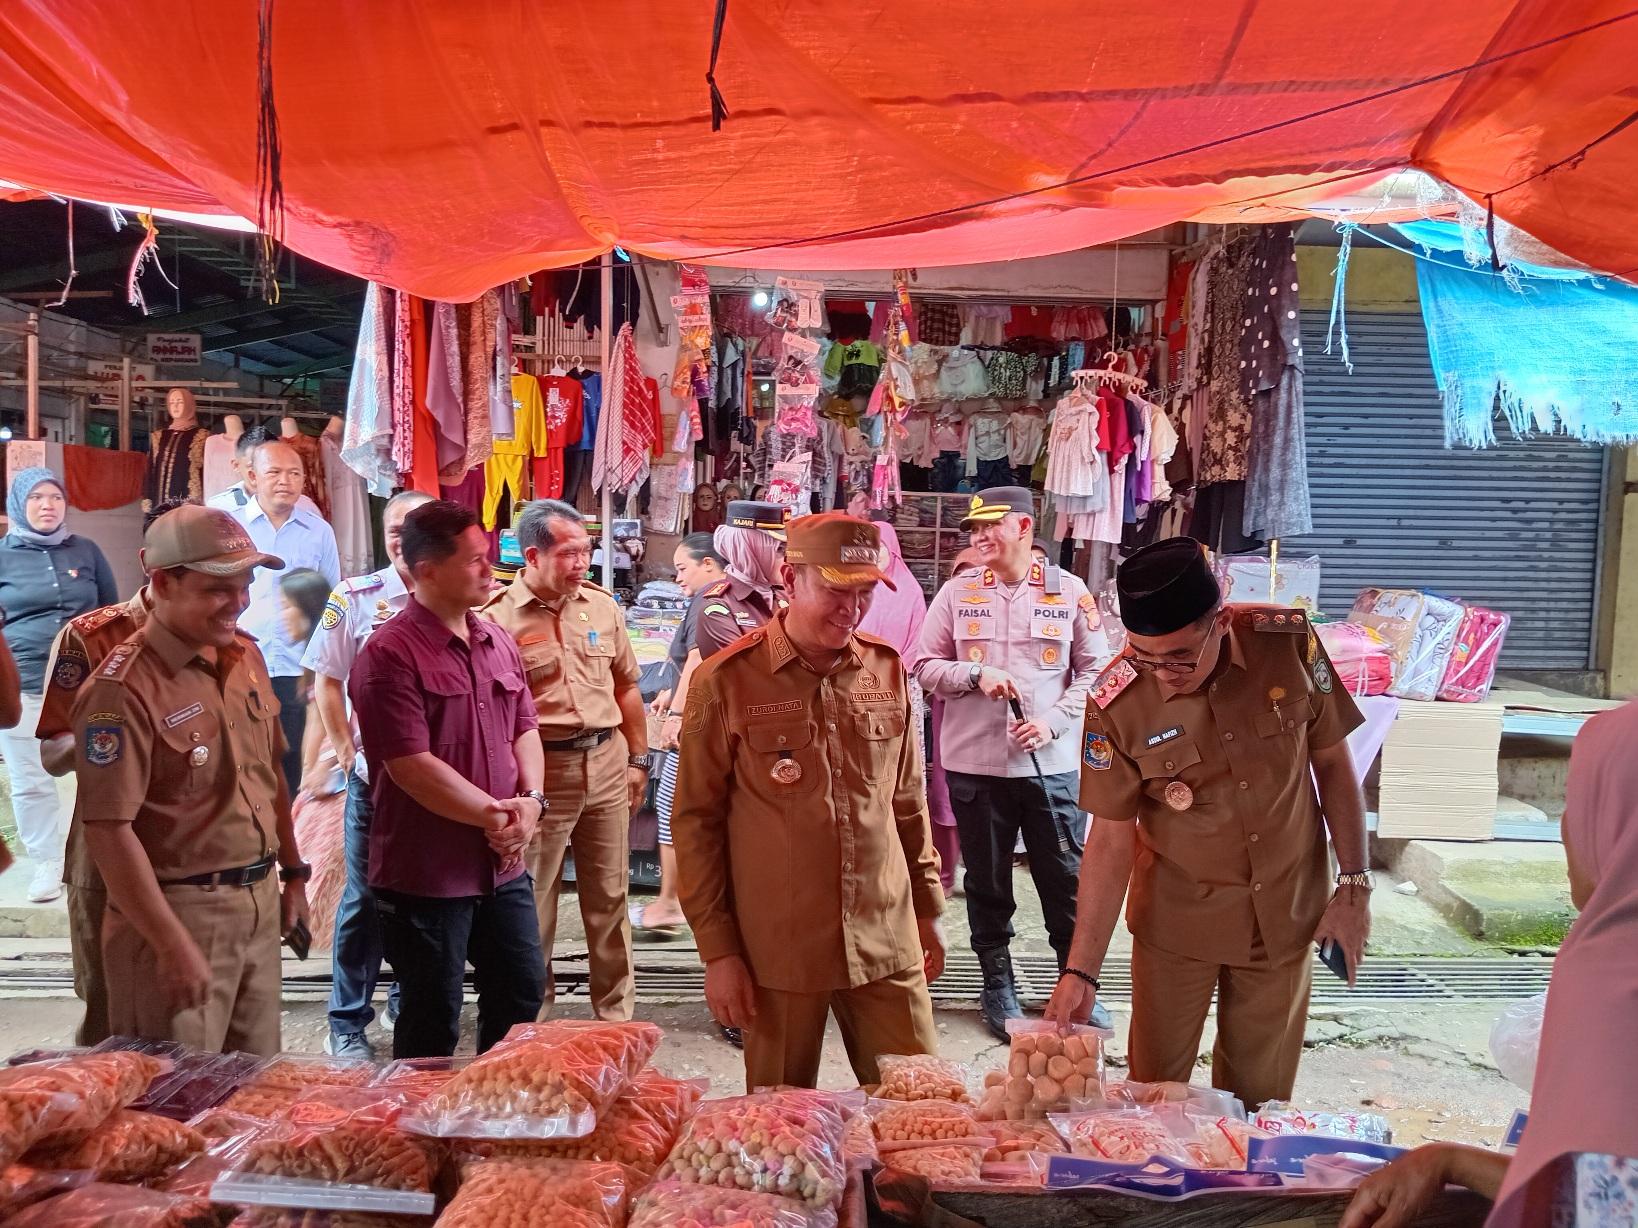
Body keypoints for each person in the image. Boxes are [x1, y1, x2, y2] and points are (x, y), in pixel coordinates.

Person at [1045, 537, 1369, 1111]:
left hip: (1286, 915)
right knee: (1152, 1099)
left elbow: (1333, 764)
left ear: (1218, 621)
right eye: (1143, 656)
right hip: (1178, 923)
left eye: (1177, 657)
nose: (1161, 674)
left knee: (1260, 1101)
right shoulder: (1117, 700)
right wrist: (1081, 972)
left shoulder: (1287, 642)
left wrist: (1354, 886)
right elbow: (1109, 839)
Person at [673, 512, 947, 1090]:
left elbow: (906, 801)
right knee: (780, 1129)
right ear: (790, 580)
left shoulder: (887, 669)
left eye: (866, 593)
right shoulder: (726, 681)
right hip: (779, 947)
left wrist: (927, 910)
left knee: (918, 1115)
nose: (851, 610)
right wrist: (717, 952)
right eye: (836, 591)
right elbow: (696, 822)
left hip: (885, 933)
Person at [1341, 702, 1638, 1228]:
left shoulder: (1611, 980)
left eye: (1581, 804)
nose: (1568, 827)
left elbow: (1603, 1204)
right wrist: (1449, 1160)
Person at [69, 505, 310, 1054]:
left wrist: (293, 876)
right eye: (217, 588)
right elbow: (109, 829)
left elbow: (267, 774)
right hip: (176, 914)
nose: (238, 601)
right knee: (174, 1108)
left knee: (254, 1097)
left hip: (256, 904)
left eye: (245, 585)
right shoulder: (121, 690)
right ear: (162, 582)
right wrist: (169, 943)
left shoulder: (244, 655)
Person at [910, 487, 1110, 1039]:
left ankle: (1076, 982)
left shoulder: (1069, 593)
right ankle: (997, 984)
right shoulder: (957, 593)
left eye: (990, 526)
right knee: (987, 883)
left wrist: (1054, 722)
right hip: (975, 766)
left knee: (1064, 880)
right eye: (973, 529)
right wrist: (974, 676)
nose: (978, 537)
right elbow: (922, 664)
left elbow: (1100, 673)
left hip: (1051, 765)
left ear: (1023, 527)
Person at [350, 501, 547, 1058]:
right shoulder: (388, 654)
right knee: (431, 1011)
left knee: (520, 993)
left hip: (502, 862)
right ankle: (417, 1138)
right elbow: (410, 765)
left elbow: (525, 726)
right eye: (476, 562)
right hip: (428, 871)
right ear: (428, 570)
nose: (491, 572)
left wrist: (530, 803)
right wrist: (499, 817)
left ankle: (499, 1119)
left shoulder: (496, 639)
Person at [479, 499, 646, 1021]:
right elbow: (494, 719)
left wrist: (639, 759)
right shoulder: (496, 620)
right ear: (534, 554)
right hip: (541, 774)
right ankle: (535, 1017)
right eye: (570, 554)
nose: (582, 563)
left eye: (587, 551)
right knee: (534, 899)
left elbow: (626, 689)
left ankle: (615, 1017)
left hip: (607, 762)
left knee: (610, 897)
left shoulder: (601, 606)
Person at [35, 500, 182, 1046]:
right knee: (109, 1019)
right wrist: (116, 730)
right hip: (109, 851)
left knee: (195, 1031)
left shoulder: (232, 645)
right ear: (153, 565)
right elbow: (53, 753)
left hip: (200, 858)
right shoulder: (92, 637)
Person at [302, 490, 431, 1059]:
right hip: (373, 777)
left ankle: (410, 996)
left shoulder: (460, 596)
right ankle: (347, 1019)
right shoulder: (354, 597)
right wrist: (342, 750)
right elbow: (327, 680)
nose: (401, 535)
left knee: (428, 896)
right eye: (394, 526)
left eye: (415, 524)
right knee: (365, 897)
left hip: (442, 780)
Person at [0, 466, 117, 901]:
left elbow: (110, 612)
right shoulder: (2, 554)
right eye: (36, 499)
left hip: (86, 684)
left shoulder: (86, 550)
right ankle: (48, 861)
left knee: (101, 768)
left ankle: (98, 855)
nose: (47, 506)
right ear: (19, 505)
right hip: (24, 682)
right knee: (30, 776)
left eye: (54, 497)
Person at [231, 439, 341, 798]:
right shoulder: (228, 527)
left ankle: (289, 846)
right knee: (244, 763)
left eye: (294, 473)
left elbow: (331, 601)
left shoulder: (318, 530)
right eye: (274, 472)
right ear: (252, 476)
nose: (285, 481)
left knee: (293, 761)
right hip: (242, 665)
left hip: (298, 670)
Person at [637, 532, 727, 936]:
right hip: (715, 723)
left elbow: (696, 659)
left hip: (695, 724)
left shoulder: (707, 600)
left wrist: (676, 713)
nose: (678, 579)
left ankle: (669, 902)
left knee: (673, 806)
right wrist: (669, 691)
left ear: (709, 564)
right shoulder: (733, 598)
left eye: (682, 568)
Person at [691, 500, 790, 660]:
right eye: (779, 549)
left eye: (788, 549)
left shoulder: (784, 596)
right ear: (749, 549)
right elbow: (748, 674)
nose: (788, 558)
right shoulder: (718, 609)